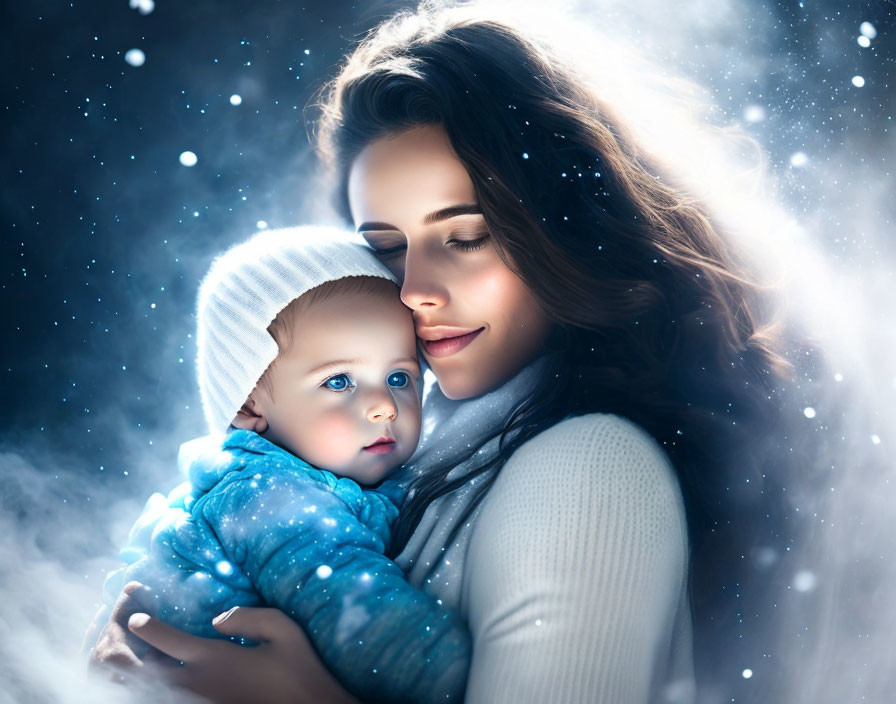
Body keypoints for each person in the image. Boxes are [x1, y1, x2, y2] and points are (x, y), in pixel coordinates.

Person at [90, 3, 795, 702]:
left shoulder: (589, 466)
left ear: (561, 225)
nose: (417, 292)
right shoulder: (404, 451)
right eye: (388, 252)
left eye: (464, 238)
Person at [93, 226, 471, 703]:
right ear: (251, 408)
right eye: (338, 382)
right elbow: (357, 609)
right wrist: (461, 674)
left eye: (399, 377)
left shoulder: (328, 471)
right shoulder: (268, 496)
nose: (384, 407)